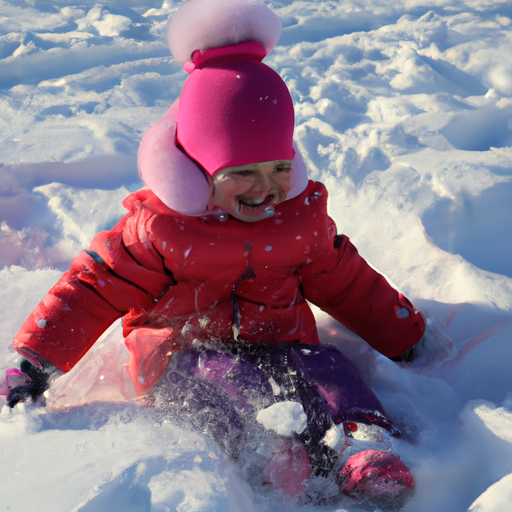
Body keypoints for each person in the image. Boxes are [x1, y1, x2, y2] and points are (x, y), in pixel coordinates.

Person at [3, 0, 425, 508]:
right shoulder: (160, 230)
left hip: (280, 341)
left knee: (330, 369)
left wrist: (403, 335)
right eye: (243, 172)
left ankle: (361, 445)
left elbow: (346, 279)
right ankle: (266, 453)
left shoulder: (299, 221)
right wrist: (34, 363)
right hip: (181, 354)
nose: (265, 188)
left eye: (279, 168)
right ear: (200, 169)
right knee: (229, 381)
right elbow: (95, 286)